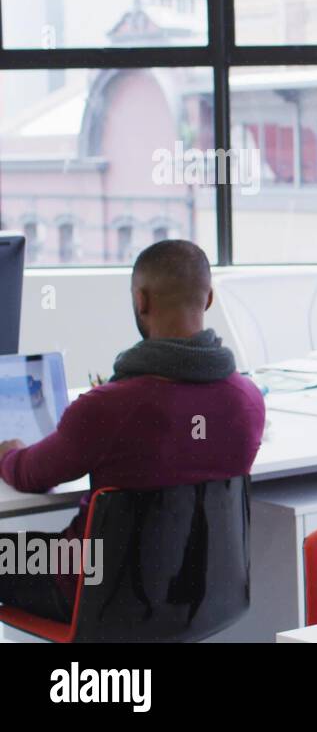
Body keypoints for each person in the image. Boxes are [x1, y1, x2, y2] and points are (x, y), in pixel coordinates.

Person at [0, 240, 266, 622]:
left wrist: (8, 453)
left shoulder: (107, 407)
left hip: (91, 586)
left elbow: (32, 474)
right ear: (208, 299)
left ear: (141, 301)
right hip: (200, 594)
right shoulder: (248, 401)